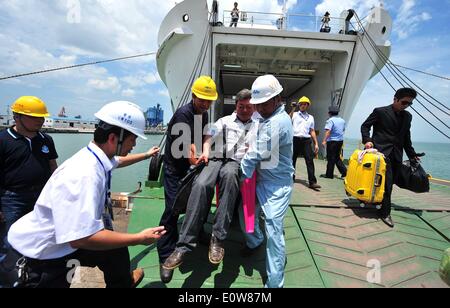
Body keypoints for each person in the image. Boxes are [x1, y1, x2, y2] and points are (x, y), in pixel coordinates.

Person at [1, 101, 165, 288]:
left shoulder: (95, 157)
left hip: (63, 241)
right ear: (113, 139)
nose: (134, 145)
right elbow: (82, 238)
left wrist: (145, 155)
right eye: (132, 139)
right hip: (40, 255)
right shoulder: (84, 174)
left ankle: (123, 283)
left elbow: (118, 160)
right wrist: (139, 238)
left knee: (115, 251)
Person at [162, 89, 259, 271]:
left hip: (234, 162)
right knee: (201, 185)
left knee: (230, 180)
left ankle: (218, 238)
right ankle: (183, 246)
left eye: (248, 107)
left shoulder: (257, 126)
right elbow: (209, 135)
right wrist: (206, 151)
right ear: (236, 106)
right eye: (241, 106)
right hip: (215, 158)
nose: (244, 110)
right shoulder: (224, 120)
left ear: (253, 107)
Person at [158, 76, 218, 283]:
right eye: (201, 99)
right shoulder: (183, 114)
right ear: (193, 96)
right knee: (172, 210)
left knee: (198, 202)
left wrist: (205, 152)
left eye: (208, 100)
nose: (205, 103)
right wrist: (200, 158)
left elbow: (201, 138)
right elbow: (188, 149)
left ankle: (198, 230)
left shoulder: (204, 112)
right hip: (176, 168)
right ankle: (165, 256)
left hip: (192, 167)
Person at [240, 75, 294, 288]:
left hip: (277, 187)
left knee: (273, 231)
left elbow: (254, 155)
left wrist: (239, 176)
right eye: (258, 105)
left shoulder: (277, 123)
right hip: (261, 180)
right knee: (246, 213)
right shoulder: (266, 118)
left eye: (263, 104)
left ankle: (274, 284)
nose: (259, 108)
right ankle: (255, 241)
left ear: (277, 99)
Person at [0, 96, 58, 263]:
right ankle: (11, 275)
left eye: (41, 117)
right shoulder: (3, 140)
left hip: (42, 196)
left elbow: (53, 166)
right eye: (34, 117)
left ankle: (34, 271)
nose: (40, 121)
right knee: (11, 239)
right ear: (17, 116)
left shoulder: (46, 139)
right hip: (12, 199)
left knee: (40, 236)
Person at [361, 88, 420, 228]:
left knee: (388, 183)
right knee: (381, 182)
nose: (406, 105)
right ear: (395, 99)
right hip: (379, 153)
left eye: (409, 103)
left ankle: (381, 207)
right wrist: (367, 140)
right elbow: (365, 126)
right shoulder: (380, 111)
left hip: (396, 155)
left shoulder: (408, 117)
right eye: (404, 102)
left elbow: (406, 137)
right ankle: (384, 212)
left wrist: (412, 154)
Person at [291, 96, 321, 190]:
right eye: (301, 104)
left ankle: (312, 182)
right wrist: (293, 108)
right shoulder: (294, 114)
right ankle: (290, 178)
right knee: (292, 160)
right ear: (299, 105)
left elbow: (312, 131)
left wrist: (316, 143)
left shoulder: (310, 117)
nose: (303, 106)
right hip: (295, 139)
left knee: (309, 160)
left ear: (307, 105)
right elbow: (288, 118)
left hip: (306, 140)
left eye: (305, 104)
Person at [321, 105, 347, 179]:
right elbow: (343, 130)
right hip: (340, 141)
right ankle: (344, 172)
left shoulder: (330, 120)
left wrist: (324, 141)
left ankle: (329, 175)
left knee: (330, 158)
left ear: (329, 113)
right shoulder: (342, 120)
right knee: (336, 157)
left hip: (332, 141)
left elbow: (328, 131)